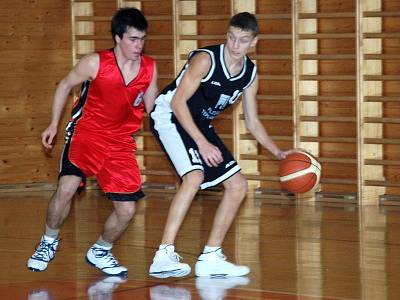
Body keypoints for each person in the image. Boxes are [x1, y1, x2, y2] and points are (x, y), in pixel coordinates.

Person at [149, 12, 295, 278]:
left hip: (198, 124)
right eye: (231, 37)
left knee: (238, 186)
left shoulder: (250, 73)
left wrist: (279, 152)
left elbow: (252, 121)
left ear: (254, 42)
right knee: (194, 176)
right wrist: (203, 144)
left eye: (242, 40)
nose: (235, 45)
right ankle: (163, 254)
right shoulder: (206, 59)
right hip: (169, 115)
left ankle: (211, 257)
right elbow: (177, 103)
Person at [27, 8, 158, 277]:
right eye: (133, 39)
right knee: (66, 189)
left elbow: (153, 107)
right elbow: (64, 85)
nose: (139, 45)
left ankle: (100, 250)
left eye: (142, 39)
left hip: (120, 142)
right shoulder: (95, 63)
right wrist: (53, 123)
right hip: (86, 133)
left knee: (127, 209)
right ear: (118, 38)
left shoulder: (149, 68)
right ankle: (48, 241)